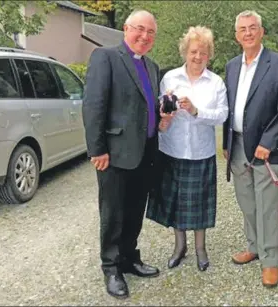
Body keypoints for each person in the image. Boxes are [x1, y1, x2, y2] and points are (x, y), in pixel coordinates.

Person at [82, 10, 161, 299]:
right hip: (114, 154)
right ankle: (111, 266)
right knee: (113, 212)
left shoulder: (152, 66)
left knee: (134, 211)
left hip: (145, 153)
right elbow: (93, 105)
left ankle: (129, 257)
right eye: (140, 29)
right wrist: (97, 149)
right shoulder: (106, 57)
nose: (144, 36)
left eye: (151, 32)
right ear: (126, 29)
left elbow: (146, 105)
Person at [222, 10, 278, 288]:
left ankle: (270, 261)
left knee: (267, 206)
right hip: (237, 144)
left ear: (262, 32)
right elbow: (228, 109)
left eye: (253, 28)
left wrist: (269, 142)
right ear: (237, 36)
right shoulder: (231, 67)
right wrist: (226, 144)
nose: (248, 33)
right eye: (243, 29)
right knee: (247, 202)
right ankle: (254, 247)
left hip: (265, 148)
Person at [146, 26, 228, 272]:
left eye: (203, 52)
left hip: (200, 151)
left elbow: (222, 114)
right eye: (193, 51)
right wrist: (165, 113)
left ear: (209, 55)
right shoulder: (169, 78)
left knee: (200, 203)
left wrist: (196, 111)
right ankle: (179, 246)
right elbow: (160, 108)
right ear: (185, 52)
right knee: (175, 202)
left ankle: (201, 248)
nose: (198, 57)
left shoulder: (216, 83)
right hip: (171, 149)